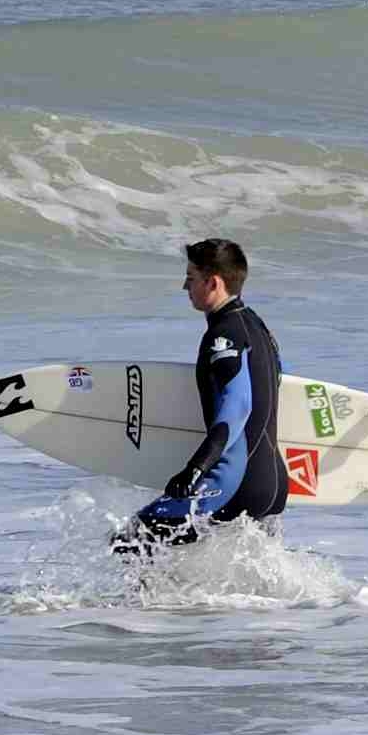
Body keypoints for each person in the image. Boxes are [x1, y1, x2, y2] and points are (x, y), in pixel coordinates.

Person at [112, 237, 287, 554]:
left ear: (214, 282)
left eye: (191, 278)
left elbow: (239, 406)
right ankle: (196, 604)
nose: (184, 286)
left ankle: (153, 605)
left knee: (128, 542)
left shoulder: (225, 335)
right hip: (272, 480)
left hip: (233, 481)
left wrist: (196, 468)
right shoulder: (259, 328)